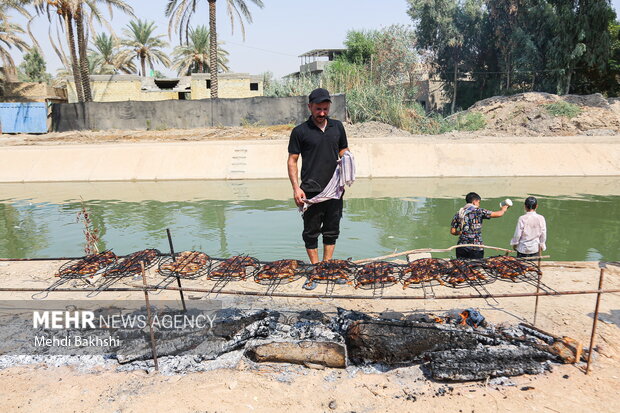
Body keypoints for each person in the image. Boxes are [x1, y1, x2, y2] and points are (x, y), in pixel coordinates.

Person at [287, 88, 350, 264]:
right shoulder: (300, 131)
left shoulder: (337, 127)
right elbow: (292, 160)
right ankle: (316, 268)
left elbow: (343, 149)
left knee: (332, 230)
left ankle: (326, 265)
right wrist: (296, 188)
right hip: (310, 190)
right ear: (310, 107)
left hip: (335, 189)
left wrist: (348, 160)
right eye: (318, 109)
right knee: (311, 232)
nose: (322, 113)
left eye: (325, 109)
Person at [450, 192, 510, 259]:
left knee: (462, 267)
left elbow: (453, 231)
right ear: (474, 202)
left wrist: (461, 232)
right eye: (478, 202)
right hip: (476, 247)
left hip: (461, 246)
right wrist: (503, 209)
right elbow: (498, 214)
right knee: (476, 267)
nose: (479, 204)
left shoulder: (459, 213)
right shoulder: (479, 211)